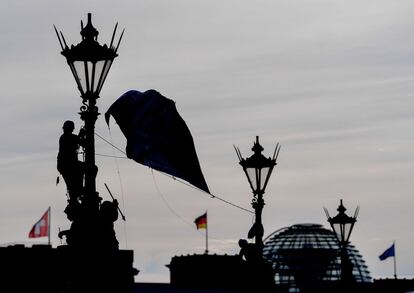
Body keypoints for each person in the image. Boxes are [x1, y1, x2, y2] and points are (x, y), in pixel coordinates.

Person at [57, 120, 85, 201]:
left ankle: (78, 192)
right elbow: (80, 141)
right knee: (84, 169)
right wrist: (81, 135)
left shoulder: (64, 137)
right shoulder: (67, 137)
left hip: (64, 165)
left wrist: (80, 135)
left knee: (71, 186)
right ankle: (79, 190)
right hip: (68, 165)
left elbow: (77, 141)